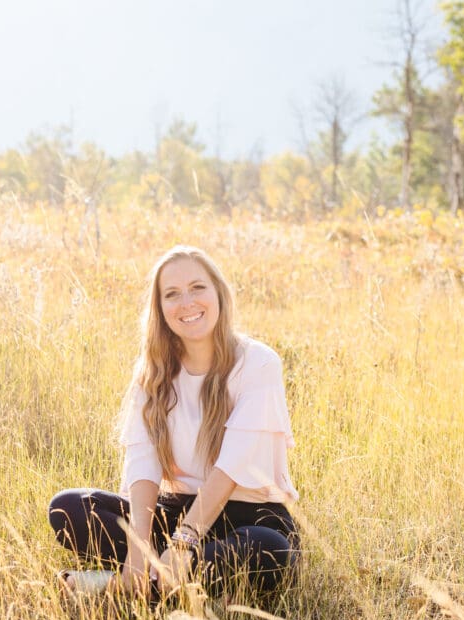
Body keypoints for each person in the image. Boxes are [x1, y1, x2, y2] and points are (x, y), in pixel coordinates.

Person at [48, 245, 299, 599]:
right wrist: (138, 547)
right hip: (176, 510)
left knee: (270, 549)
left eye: (198, 288)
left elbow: (232, 466)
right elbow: (144, 466)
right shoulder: (152, 372)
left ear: (218, 294)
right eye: (172, 294)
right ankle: (161, 579)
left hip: (249, 518)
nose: (187, 303)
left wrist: (184, 543)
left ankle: (120, 586)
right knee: (68, 507)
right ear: (161, 309)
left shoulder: (257, 363)